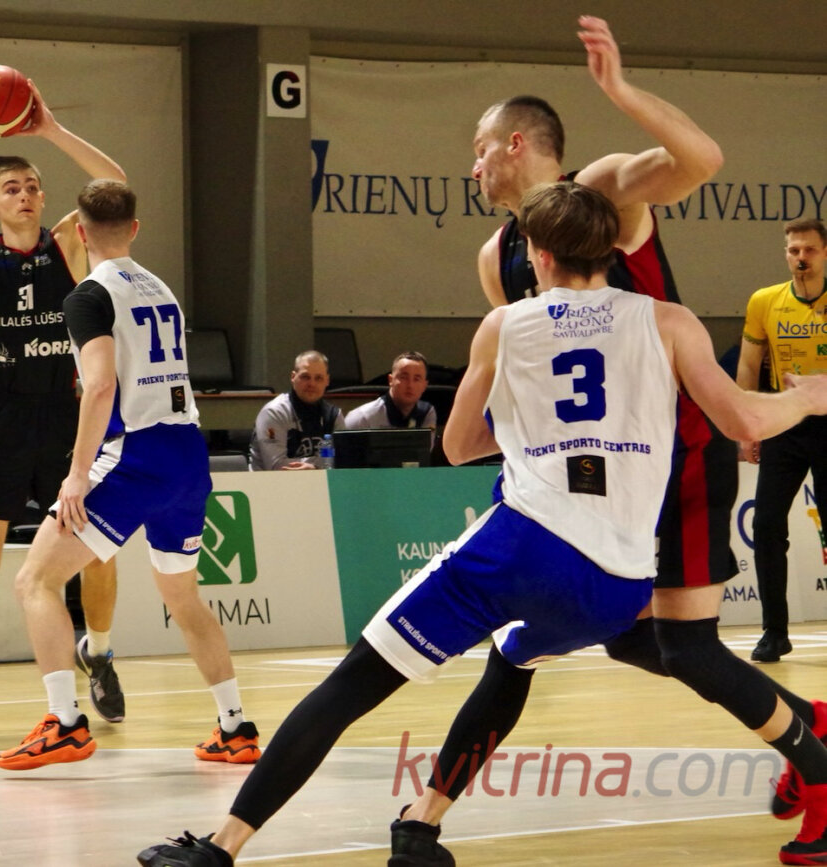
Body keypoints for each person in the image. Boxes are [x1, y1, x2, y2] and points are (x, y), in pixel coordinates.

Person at [138, 181, 827, 867]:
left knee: (350, 686)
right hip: (615, 582)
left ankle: (220, 848)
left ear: (539, 255)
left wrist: (534, 426)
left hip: (521, 548)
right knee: (515, 656)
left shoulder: (506, 325)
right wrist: (805, 399)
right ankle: (420, 828)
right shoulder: (670, 322)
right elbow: (743, 418)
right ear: (611, 250)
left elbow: (458, 444)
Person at [450, 14, 827, 831]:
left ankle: (818, 759)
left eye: (479, 149)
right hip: (602, 477)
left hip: (680, 450)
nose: (471, 166)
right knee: (625, 637)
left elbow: (704, 160)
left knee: (685, 645)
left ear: (516, 143)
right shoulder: (496, 256)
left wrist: (619, 89)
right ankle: (805, 722)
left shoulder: (605, 191)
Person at [0, 179, 258, 770]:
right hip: (187, 454)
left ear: (79, 232)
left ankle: (64, 724)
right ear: (135, 229)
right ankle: (235, 726)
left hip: (135, 454)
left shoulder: (88, 295)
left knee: (35, 581)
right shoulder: (162, 288)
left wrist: (76, 473)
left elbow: (99, 386)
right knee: (184, 598)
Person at [0, 81, 124, 737]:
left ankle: (99, 652)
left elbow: (116, 184)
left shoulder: (66, 245)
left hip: (65, 415)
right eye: (12, 188)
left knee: (96, 550)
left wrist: (51, 132)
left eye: (33, 187)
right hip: (4, 418)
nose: (26, 195)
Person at [736, 218, 827, 664]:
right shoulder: (765, 301)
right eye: (793, 250)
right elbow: (749, 364)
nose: (800, 258)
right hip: (784, 424)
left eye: (809, 249)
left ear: (824, 253)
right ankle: (775, 632)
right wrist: (745, 425)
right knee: (767, 524)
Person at [248, 350, 345, 470]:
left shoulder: (333, 416)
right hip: (270, 481)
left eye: (318, 378)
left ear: (327, 381)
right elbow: (277, 466)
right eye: (305, 377)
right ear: (293, 377)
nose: (312, 384)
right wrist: (320, 465)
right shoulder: (274, 413)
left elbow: (342, 460)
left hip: (320, 481)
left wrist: (315, 467)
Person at [344, 350, 437, 438]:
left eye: (416, 379)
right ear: (391, 380)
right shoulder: (362, 418)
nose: (410, 385)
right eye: (404, 377)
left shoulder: (427, 414)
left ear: (425, 385)